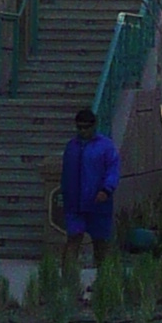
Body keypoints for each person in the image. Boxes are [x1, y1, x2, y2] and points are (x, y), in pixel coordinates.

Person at [59, 105, 122, 299]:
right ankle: (68, 282)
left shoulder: (106, 146)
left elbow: (113, 169)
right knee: (73, 240)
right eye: (79, 127)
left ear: (94, 126)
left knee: (100, 243)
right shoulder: (72, 146)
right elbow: (66, 174)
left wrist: (107, 189)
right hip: (75, 203)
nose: (82, 131)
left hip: (98, 202)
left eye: (86, 127)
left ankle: (103, 280)